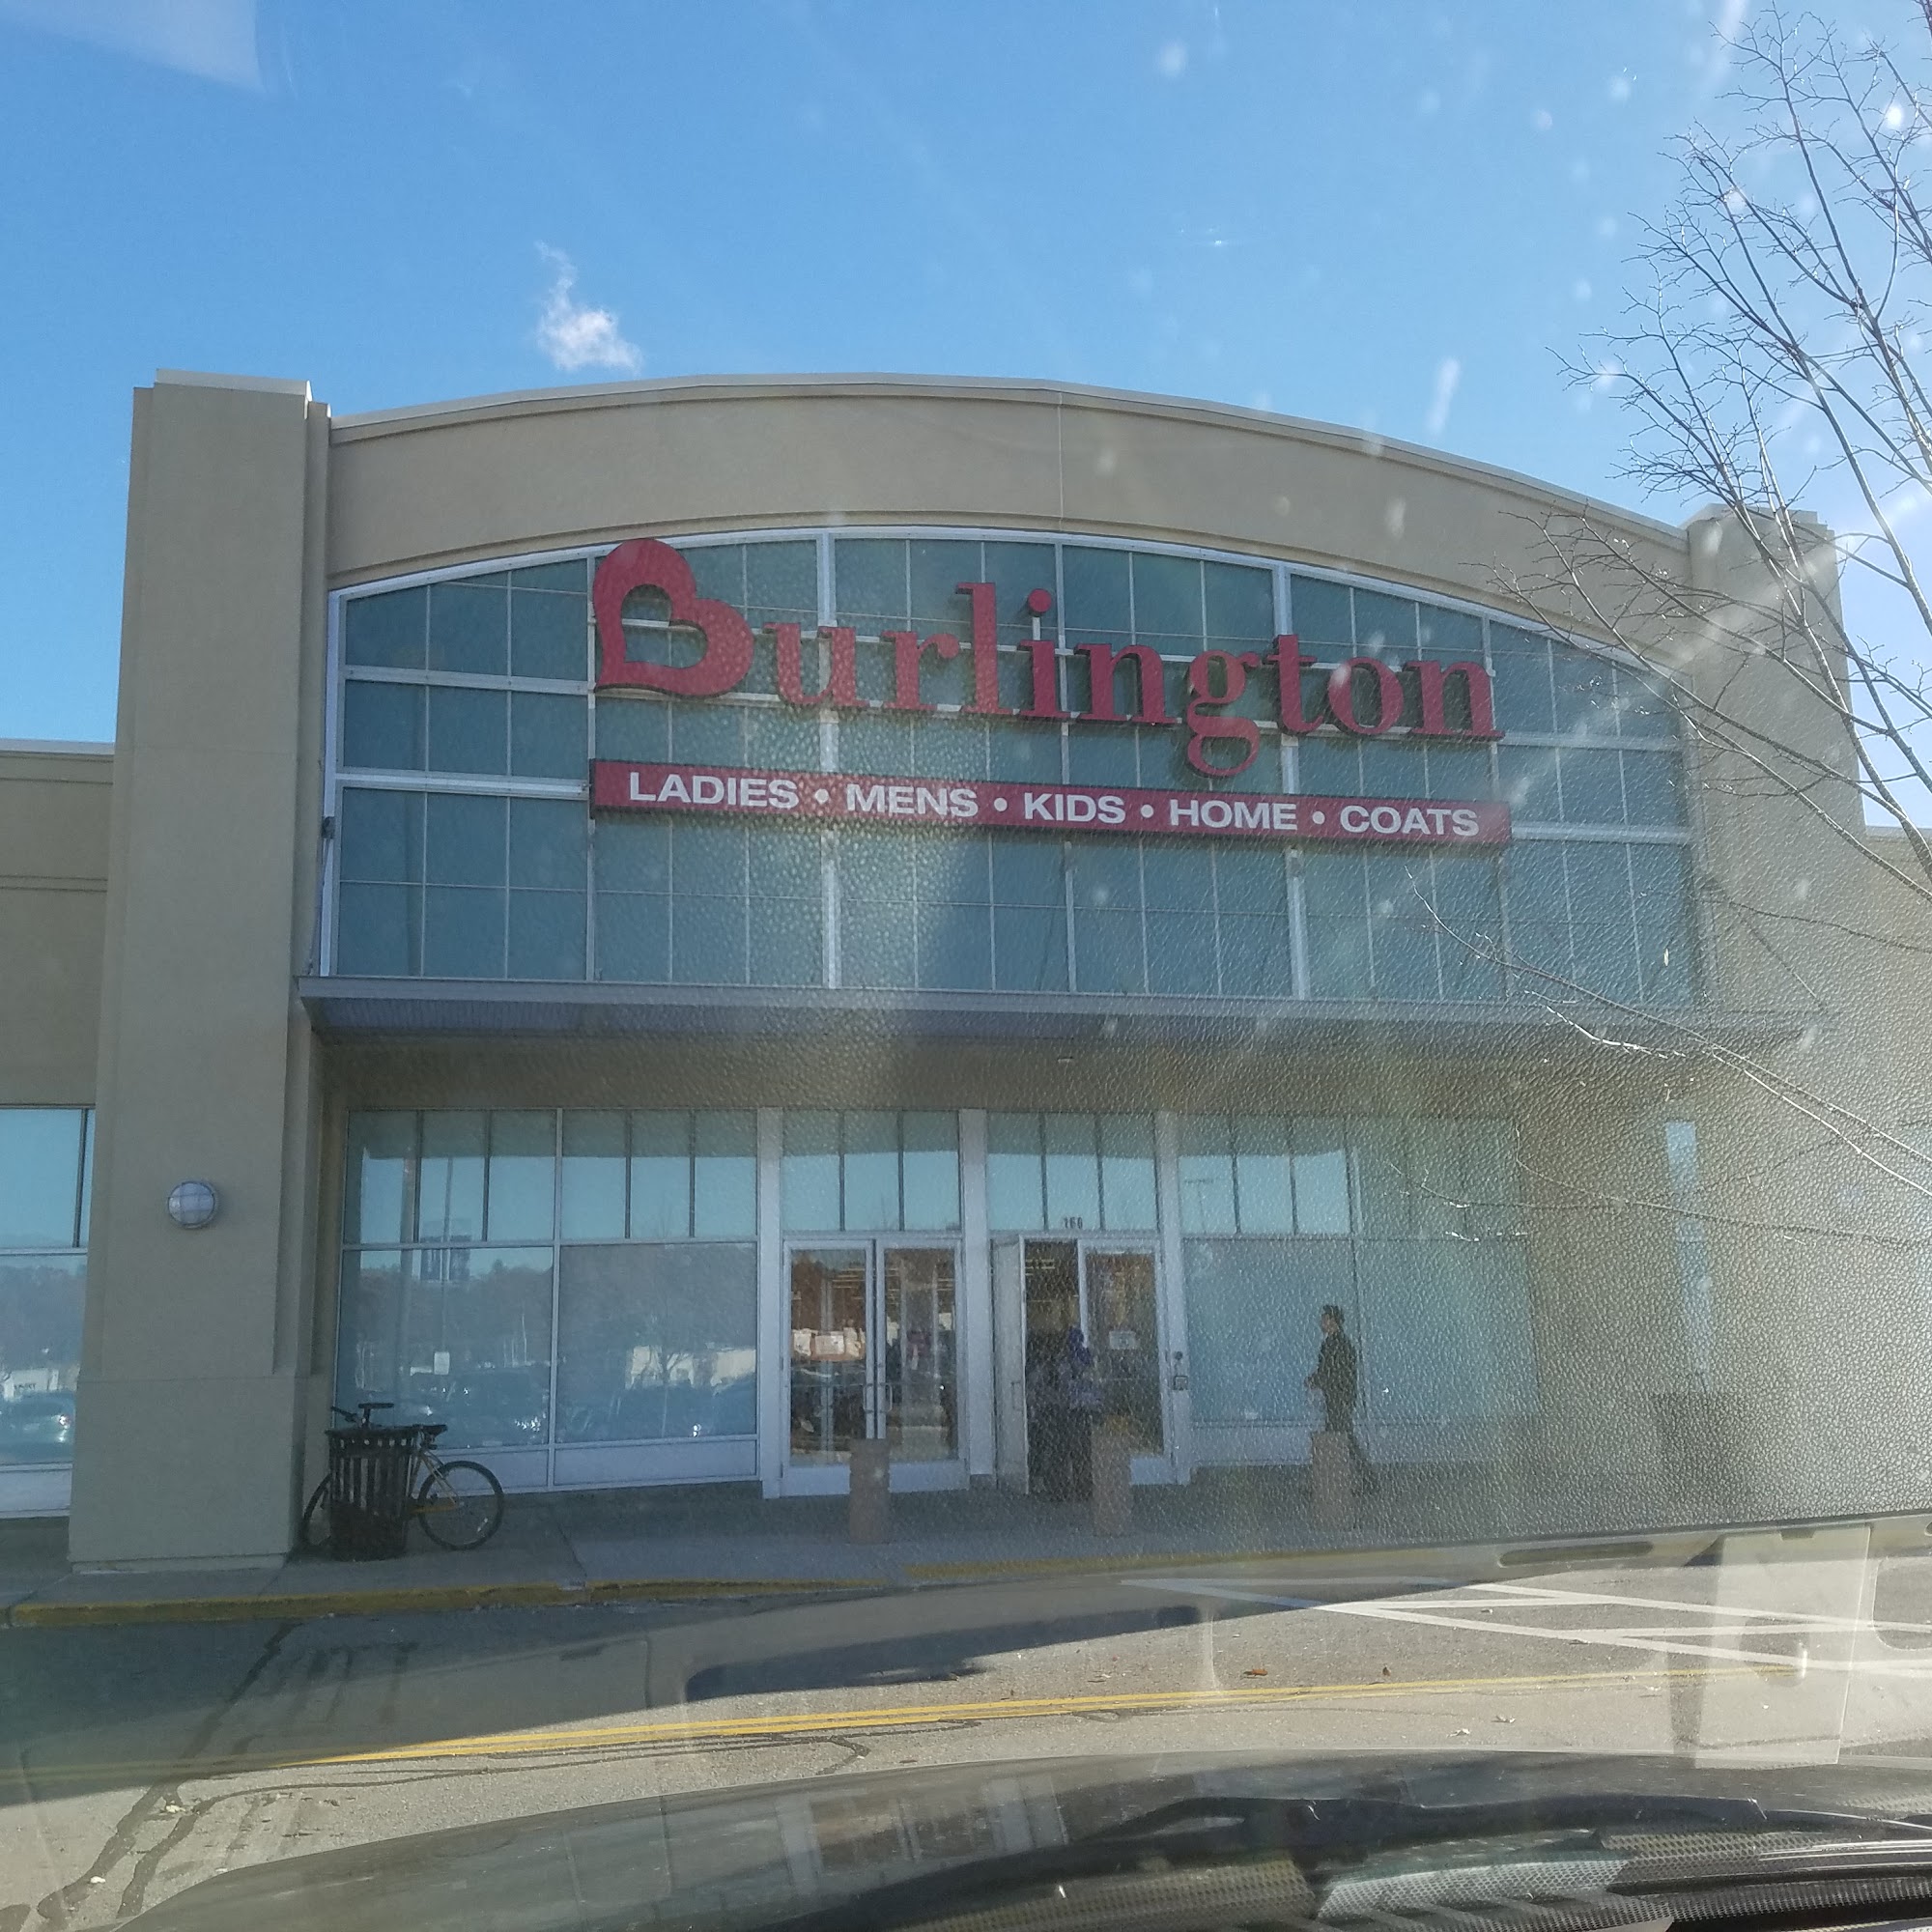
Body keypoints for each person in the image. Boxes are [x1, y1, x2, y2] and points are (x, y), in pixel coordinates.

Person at [1305, 1304, 1378, 1495]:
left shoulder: (1335, 1344)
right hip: (1340, 1398)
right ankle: (1347, 1481)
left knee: (1342, 1439)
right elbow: (1336, 1372)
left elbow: (1333, 1372)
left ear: (1333, 1321)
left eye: (1325, 1319)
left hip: (1338, 1399)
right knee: (1341, 1438)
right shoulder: (1339, 1343)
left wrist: (1317, 1380)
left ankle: (1359, 1481)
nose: (1321, 1322)